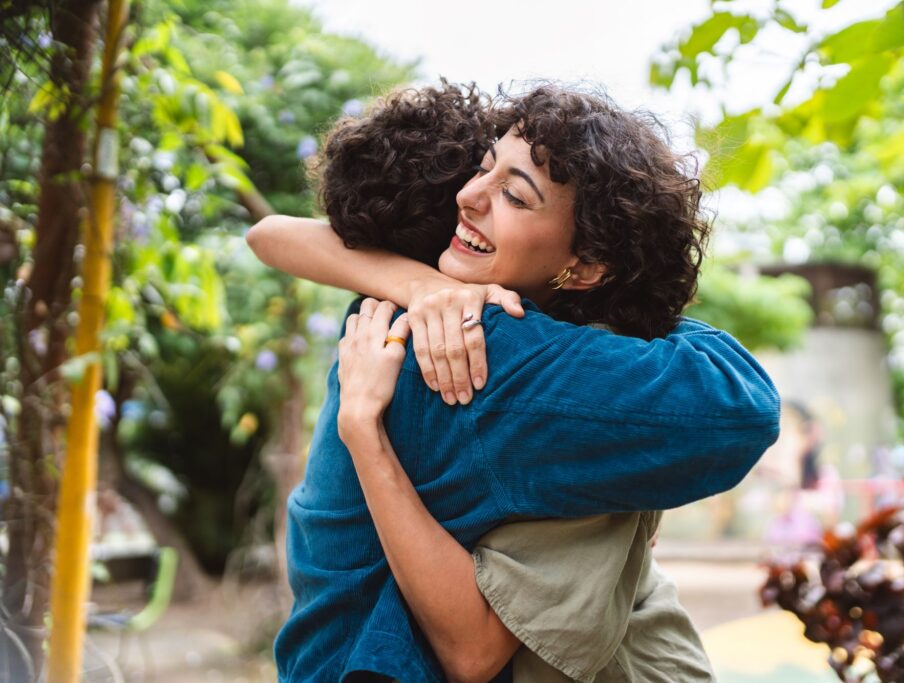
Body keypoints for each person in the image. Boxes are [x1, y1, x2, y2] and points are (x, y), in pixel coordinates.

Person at [248, 83, 780, 682]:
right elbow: (740, 403)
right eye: (483, 168)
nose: (470, 196)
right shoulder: (483, 348)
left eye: (515, 196)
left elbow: (273, 235)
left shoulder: (403, 310)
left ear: (584, 265)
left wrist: (420, 287)